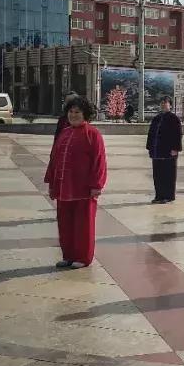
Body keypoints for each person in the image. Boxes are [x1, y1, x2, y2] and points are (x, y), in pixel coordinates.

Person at [44, 96, 107, 268]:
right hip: (63, 188)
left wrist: (97, 185)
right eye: (71, 112)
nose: (73, 115)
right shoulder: (64, 133)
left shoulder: (92, 134)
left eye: (77, 112)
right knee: (65, 224)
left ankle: (82, 257)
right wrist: (52, 183)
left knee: (83, 224)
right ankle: (68, 255)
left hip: (84, 189)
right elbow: (54, 160)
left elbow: (99, 161)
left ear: (85, 114)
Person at [146, 95, 182, 203]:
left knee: (168, 174)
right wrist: (149, 147)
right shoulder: (156, 118)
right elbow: (151, 134)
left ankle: (168, 195)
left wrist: (176, 148)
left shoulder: (174, 118)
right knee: (157, 174)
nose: (163, 104)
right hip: (156, 151)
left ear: (170, 105)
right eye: (161, 102)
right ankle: (159, 195)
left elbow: (178, 134)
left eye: (165, 102)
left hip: (169, 151)